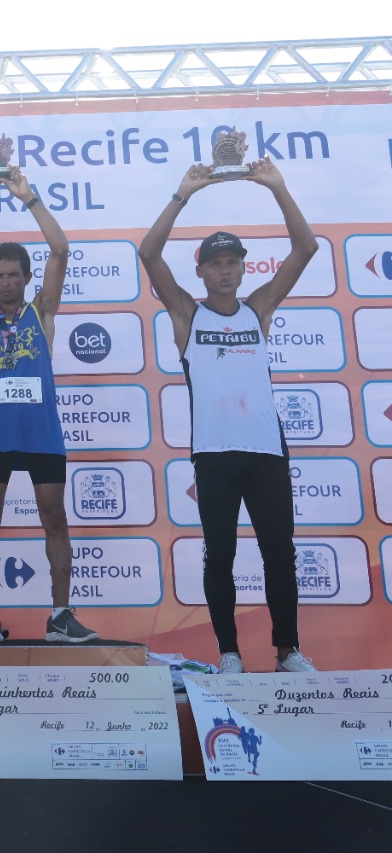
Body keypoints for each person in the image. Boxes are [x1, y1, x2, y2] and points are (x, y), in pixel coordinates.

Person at [139, 157, 318, 674]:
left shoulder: (258, 308)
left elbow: (305, 248)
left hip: (266, 451)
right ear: (201, 270)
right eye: (215, 263)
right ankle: (229, 653)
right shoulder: (186, 314)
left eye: (232, 262)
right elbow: (148, 253)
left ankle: (287, 651)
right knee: (220, 557)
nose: (224, 270)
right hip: (214, 455)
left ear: (243, 268)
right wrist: (183, 194)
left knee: (278, 555)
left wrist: (278, 186)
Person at [0, 166, 97, 643]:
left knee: (54, 516)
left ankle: (59, 617)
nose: (6, 282)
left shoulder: (42, 311)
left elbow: (60, 250)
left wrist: (28, 198)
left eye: (14, 275)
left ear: (27, 278)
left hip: (41, 434)